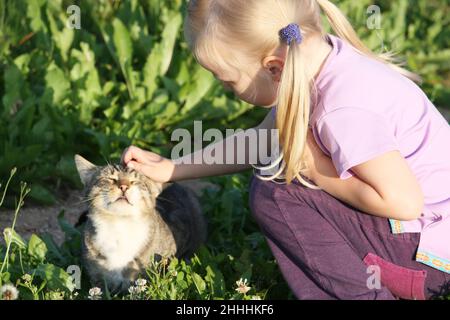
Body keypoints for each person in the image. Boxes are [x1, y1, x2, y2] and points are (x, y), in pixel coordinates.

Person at [121, 0, 450, 300]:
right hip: (428, 239)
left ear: (273, 68)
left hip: (428, 262)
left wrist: (313, 168)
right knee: (279, 165)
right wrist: (173, 168)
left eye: (226, 80)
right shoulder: (318, 62)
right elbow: (262, 140)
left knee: (276, 190)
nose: (224, 88)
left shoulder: (342, 110)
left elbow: (404, 203)